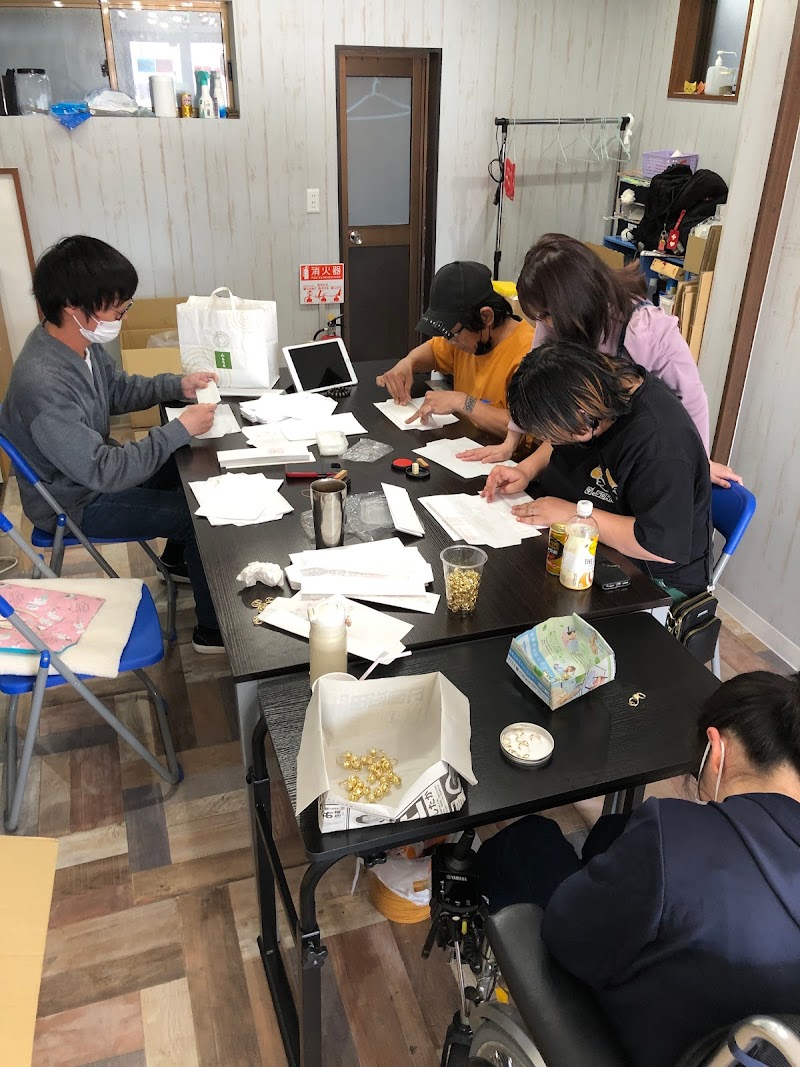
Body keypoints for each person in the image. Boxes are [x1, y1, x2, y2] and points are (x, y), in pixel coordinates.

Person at [477, 670, 800, 1067]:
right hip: (742, 1048)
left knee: (530, 838)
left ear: (717, 752)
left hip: (640, 1036)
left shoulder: (678, 836)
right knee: (618, 829)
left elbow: (568, 937)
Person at [0, 235, 224, 654]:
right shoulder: (43, 383)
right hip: (75, 502)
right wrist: (178, 428)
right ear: (73, 306)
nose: (122, 312)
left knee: (189, 462)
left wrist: (177, 386)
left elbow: (116, 389)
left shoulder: (75, 345)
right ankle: (212, 632)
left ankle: (178, 561)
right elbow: (103, 471)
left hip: (89, 476)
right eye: (116, 305)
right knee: (200, 517)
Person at [460, 233, 741, 490]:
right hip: (590, 448)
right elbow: (535, 378)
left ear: (573, 302)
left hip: (635, 450)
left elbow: (691, 396)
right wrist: (511, 442)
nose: (543, 324)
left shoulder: (645, 330)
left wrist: (699, 462)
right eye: (539, 317)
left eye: (546, 315)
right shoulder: (554, 318)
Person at [490, 341, 712, 598]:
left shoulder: (659, 443)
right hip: (578, 543)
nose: (551, 441)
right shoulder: (595, 395)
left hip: (648, 579)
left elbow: (658, 545)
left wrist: (572, 516)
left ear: (582, 416)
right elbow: (560, 438)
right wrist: (526, 470)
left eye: (553, 434)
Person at [375, 261, 534, 438]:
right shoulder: (467, 336)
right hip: (466, 441)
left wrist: (462, 402)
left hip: (502, 452)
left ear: (486, 316)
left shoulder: (529, 353)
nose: (449, 342)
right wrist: (408, 363)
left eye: (453, 334)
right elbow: (433, 351)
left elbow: (525, 427)